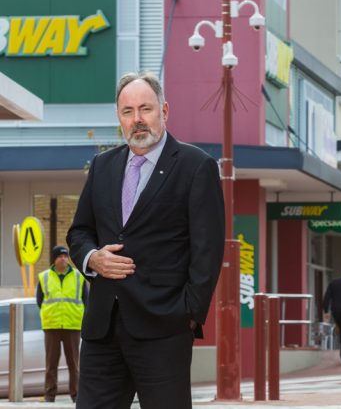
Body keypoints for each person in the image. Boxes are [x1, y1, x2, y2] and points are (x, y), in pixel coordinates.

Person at [66, 71, 225, 409]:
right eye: (127, 111)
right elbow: (79, 232)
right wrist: (92, 258)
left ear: (164, 110)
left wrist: (188, 314)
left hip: (164, 328)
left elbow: (207, 250)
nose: (137, 120)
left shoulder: (196, 166)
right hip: (102, 328)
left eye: (145, 109)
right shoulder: (102, 166)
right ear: (119, 118)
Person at [36, 245, 88, 403]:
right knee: (51, 365)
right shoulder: (44, 277)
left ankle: (76, 396)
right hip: (51, 325)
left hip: (72, 325)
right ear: (54, 259)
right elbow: (40, 300)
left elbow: (86, 300)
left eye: (66, 256)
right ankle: (49, 396)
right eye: (60, 256)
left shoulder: (78, 276)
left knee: (74, 364)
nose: (64, 259)